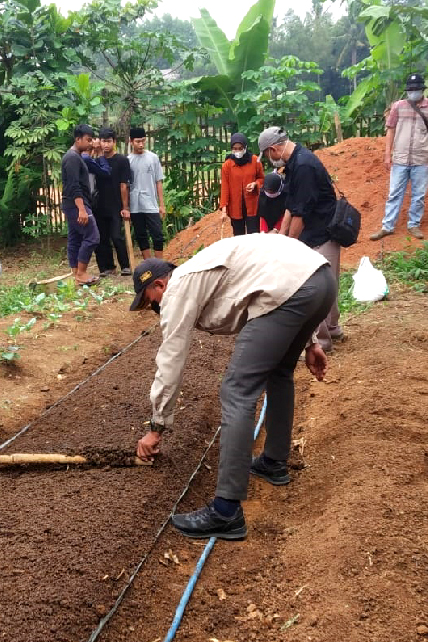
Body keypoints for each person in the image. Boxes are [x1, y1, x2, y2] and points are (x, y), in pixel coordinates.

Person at [131, 234, 335, 539]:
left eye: (150, 302)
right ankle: (274, 463)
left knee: (236, 391)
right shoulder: (200, 270)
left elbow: (171, 358)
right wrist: (310, 341)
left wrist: (156, 425)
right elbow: (279, 273)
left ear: (159, 285)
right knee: (279, 371)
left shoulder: (178, 288)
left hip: (292, 290)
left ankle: (226, 511)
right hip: (321, 279)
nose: (154, 309)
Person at [258, 126, 343, 350]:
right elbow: (290, 206)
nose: (269, 160)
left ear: (274, 148)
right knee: (329, 284)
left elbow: (301, 213)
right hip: (316, 230)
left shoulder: (304, 166)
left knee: (319, 288)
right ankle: (333, 328)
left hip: (322, 232)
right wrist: (281, 237)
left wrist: (290, 245)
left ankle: (323, 342)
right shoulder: (295, 163)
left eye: (267, 155)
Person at [370, 73, 428, 241]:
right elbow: (390, 129)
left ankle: (413, 224)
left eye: (416, 89)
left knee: (419, 194)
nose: (413, 92)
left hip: (421, 157)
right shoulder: (398, 106)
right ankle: (388, 226)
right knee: (394, 192)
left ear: (422, 89)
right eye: (411, 89)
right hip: (400, 157)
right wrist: (388, 154)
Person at [61, 124, 101, 286]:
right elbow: (73, 186)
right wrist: (82, 209)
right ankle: (81, 273)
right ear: (78, 139)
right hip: (76, 204)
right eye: (88, 140)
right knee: (93, 236)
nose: (91, 143)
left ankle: (76, 273)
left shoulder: (76, 156)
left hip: (73, 205)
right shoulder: (71, 158)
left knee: (76, 237)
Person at [94, 127, 133, 276]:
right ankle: (108, 267)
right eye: (103, 141)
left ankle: (125, 266)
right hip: (99, 205)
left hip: (116, 205)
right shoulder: (97, 161)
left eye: (109, 141)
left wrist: (125, 207)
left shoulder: (122, 160)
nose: (106, 145)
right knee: (102, 238)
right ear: (100, 142)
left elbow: (124, 185)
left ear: (114, 142)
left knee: (116, 236)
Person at [128, 126, 167, 259]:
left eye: (143, 141)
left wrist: (161, 204)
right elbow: (125, 186)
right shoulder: (128, 161)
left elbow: (159, 181)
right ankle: (148, 263)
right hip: (135, 204)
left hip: (151, 203)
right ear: (131, 141)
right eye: (138, 141)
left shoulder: (153, 158)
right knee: (140, 234)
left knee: (157, 234)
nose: (141, 144)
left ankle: (159, 263)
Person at [219, 133, 264, 236]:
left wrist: (255, 184)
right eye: (235, 148)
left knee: (253, 236)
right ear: (231, 149)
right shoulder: (227, 165)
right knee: (238, 237)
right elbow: (225, 188)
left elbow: (262, 179)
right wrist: (224, 210)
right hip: (235, 207)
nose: (237, 151)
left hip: (252, 206)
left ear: (245, 147)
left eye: (240, 148)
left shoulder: (255, 161)